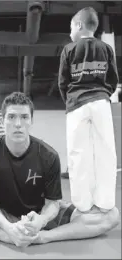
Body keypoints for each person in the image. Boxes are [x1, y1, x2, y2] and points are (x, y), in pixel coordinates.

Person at [0, 92, 119, 248]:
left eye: (24, 117)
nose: (18, 124)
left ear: (31, 121)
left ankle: (43, 238)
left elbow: (53, 203)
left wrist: (42, 222)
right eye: (11, 117)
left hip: (41, 213)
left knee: (111, 215)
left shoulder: (48, 155)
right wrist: (7, 229)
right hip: (2, 212)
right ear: (2, 121)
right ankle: (3, 235)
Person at [58, 7, 119, 213]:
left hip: (77, 105)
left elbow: (62, 82)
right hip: (101, 103)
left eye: (70, 28)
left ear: (79, 25)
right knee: (105, 151)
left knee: (78, 154)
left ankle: (82, 204)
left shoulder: (69, 49)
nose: (69, 33)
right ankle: (106, 202)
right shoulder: (106, 48)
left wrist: (71, 100)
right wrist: (102, 94)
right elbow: (113, 79)